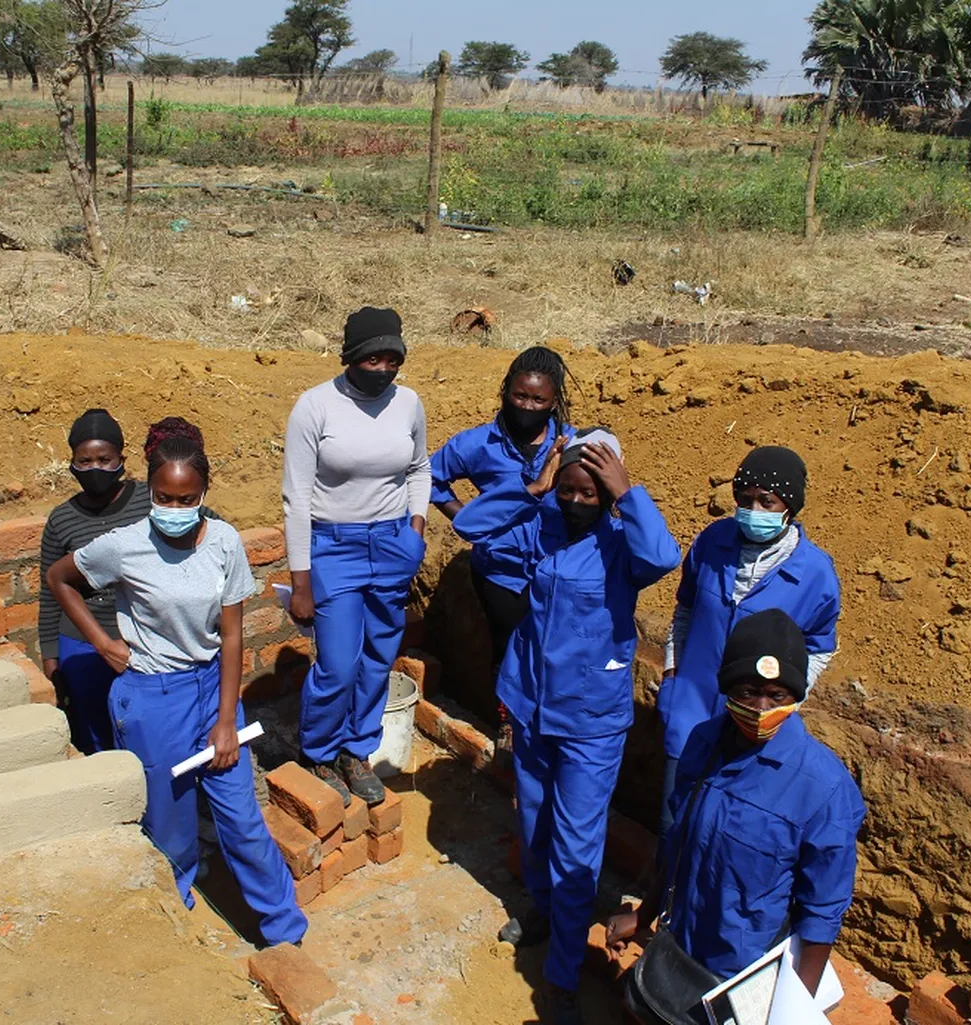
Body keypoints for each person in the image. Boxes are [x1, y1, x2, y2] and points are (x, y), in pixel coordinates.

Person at [45, 417, 306, 947]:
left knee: (242, 821)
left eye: (187, 500)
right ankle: (177, 918)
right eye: (164, 498)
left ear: (204, 493)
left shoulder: (225, 542)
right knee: (169, 826)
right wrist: (101, 641)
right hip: (151, 696)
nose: (175, 510)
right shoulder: (124, 545)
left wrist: (227, 722)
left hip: (211, 685)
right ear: (151, 491)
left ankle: (284, 928)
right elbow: (58, 579)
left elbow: (231, 636)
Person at [453, 428, 681, 1025]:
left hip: (589, 721)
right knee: (534, 826)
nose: (577, 503)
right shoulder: (540, 523)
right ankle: (545, 911)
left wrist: (628, 494)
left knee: (577, 843)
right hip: (530, 705)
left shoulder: (622, 543)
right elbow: (470, 527)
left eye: (591, 494)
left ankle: (561, 976)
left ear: (607, 496)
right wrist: (533, 487)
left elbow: (663, 557)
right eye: (569, 491)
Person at [606, 609, 865, 1007]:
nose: (761, 708)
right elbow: (678, 842)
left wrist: (791, 1009)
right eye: (747, 691)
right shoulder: (704, 742)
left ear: (796, 696)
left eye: (777, 695)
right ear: (727, 689)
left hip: (744, 975)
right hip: (681, 946)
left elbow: (822, 911)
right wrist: (646, 914)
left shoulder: (824, 788)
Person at [283, 307, 431, 807]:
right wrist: (301, 580)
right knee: (339, 664)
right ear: (350, 356)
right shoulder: (315, 407)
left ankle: (356, 748)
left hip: (392, 544)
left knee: (378, 658)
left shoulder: (408, 403)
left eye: (393, 359)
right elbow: (296, 497)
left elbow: (419, 469)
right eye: (373, 359)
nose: (383, 369)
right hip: (334, 546)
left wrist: (415, 528)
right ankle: (320, 750)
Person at [656, 445, 840, 836]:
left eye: (766, 501)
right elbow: (685, 611)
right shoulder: (712, 542)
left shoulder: (815, 574)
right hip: (690, 714)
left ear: (789, 507)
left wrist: (782, 703)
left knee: (725, 835)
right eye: (745, 499)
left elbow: (820, 647)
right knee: (675, 824)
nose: (753, 510)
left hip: (753, 727)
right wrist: (673, 676)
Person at [429, 346, 576, 743]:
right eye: (520, 396)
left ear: (554, 400)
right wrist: (467, 518)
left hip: (557, 569)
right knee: (508, 647)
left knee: (553, 651)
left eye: (539, 399)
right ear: (506, 391)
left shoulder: (571, 444)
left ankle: (550, 726)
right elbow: (430, 477)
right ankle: (509, 722)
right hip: (501, 570)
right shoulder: (477, 444)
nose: (528, 405)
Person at [38, 408, 152, 755]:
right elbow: (49, 594)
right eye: (84, 461)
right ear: (71, 464)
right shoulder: (61, 520)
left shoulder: (150, 500)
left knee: (143, 726)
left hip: (140, 637)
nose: (95, 469)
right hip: (82, 645)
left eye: (105, 459)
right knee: (95, 731)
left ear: (122, 459)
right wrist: (52, 661)